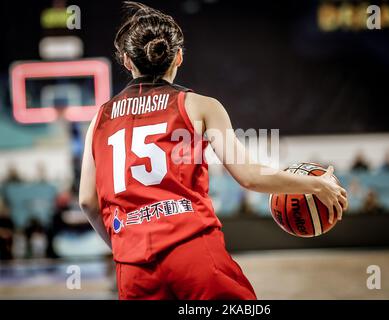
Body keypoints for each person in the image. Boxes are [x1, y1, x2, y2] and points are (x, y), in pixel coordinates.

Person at [79, 1, 348, 300]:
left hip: (133, 267)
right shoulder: (199, 105)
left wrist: (122, 246)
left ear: (128, 61)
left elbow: (88, 202)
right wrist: (315, 183)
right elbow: (249, 177)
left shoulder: (99, 119)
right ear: (178, 56)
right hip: (191, 252)